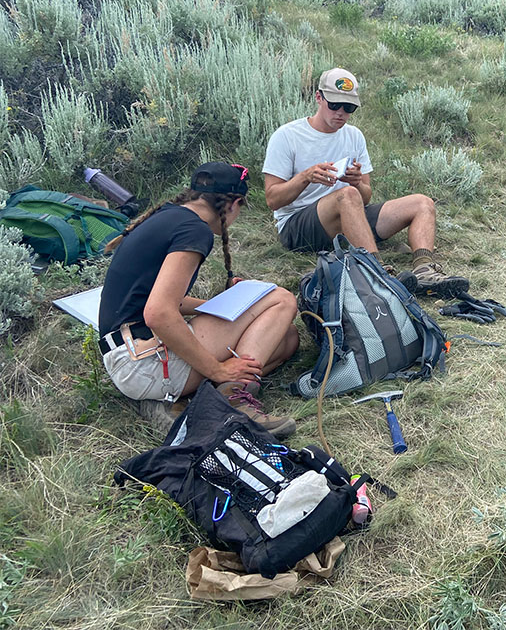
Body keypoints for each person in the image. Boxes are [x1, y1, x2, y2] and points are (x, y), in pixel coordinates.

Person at [98, 162, 299, 436]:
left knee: (286, 339)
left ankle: (179, 401)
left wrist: (226, 306)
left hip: (126, 357)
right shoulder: (195, 230)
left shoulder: (170, 217)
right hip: (143, 362)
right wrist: (218, 371)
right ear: (233, 203)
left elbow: (166, 300)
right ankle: (233, 398)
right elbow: (158, 313)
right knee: (281, 299)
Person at [262, 67, 468, 295]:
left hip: (350, 214)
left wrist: (357, 182)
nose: (341, 113)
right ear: (319, 98)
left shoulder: (354, 135)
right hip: (297, 225)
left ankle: (426, 271)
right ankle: (377, 273)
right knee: (347, 196)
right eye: (334, 105)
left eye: (349, 108)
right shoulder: (287, 136)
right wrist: (305, 177)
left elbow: (366, 195)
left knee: (422, 202)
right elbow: (272, 199)